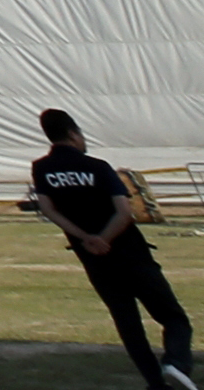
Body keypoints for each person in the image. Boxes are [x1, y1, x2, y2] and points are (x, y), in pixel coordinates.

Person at [31, 111, 194, 390]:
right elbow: (124, 212)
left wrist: (86, 239)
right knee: (173, 317)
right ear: (73, 133)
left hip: (94, 259)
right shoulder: (98, 167)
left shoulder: (42, 168)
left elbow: (48, 209)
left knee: (129, 325)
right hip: (130, 252)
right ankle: (176, 365)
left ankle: (156, 384)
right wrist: (103, 237)